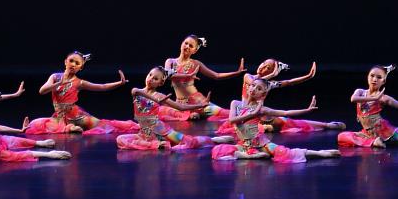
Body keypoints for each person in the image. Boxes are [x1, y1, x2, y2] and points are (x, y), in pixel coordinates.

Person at [211, 78, 341, 163]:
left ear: (263, 95)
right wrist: (253, 114)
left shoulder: (262, 109)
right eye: (253, 86)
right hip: (244, 144)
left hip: (261, 144)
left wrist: (306, 110)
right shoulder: (236, 103)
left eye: (259, 89)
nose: (254, 89)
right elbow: (232, 120)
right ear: (248, 87)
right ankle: (246, 155)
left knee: (284, 153)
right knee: (218, 151)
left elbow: (285, 112)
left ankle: (321, 153)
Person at [117, 66, 235, 150]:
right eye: (150, 75)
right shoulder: (137, 91)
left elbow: (180, 107)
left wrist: (200, 105)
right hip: (145, 133)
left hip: (161, 130)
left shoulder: (160, 96)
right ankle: (156, 144)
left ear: (160, 83)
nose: (151, 78)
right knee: (120, 139)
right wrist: (156, 100)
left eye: (156, 78)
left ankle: (214, 140)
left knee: (190, 142)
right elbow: (136, 92)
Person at [25, 51, 138, 134]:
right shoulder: (55, 77)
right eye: (71, 61)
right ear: (65, 62)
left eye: (77, 63)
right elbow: (42, 91)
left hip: (77, 117)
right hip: (60, 117)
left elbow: (101, 86)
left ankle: (137, 126)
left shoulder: (79, 83)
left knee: (105, 124)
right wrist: (57, 84)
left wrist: (119, 83)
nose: (73, 64)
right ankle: (70, 128)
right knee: (35, 124)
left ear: (81, 67)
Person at [160, 34, 245, 121]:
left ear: (195, 50)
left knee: (227, 113)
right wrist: (188, 75)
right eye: (186, 43)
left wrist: (236, 73)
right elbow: (169, 75)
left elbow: (216, 75)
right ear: (182, 43)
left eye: (191, 46)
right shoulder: (170, 62)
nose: (187, 46)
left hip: (198, 101)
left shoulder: (196, 63)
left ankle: (247, 112)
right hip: (182, 105)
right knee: (163, 111)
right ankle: (193, 114)